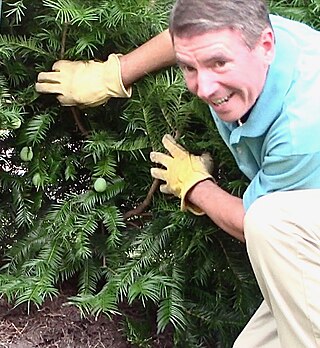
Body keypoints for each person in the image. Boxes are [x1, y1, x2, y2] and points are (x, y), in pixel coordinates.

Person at [36, 0, 320, 346]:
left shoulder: (302, 127)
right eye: (191, 68)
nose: (204, 87)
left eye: (219, 64)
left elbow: (258, 224)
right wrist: (114, 75)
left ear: (264, 46)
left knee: (270, 220)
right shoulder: (242, 32)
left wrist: (195, 186)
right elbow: (187, 40)